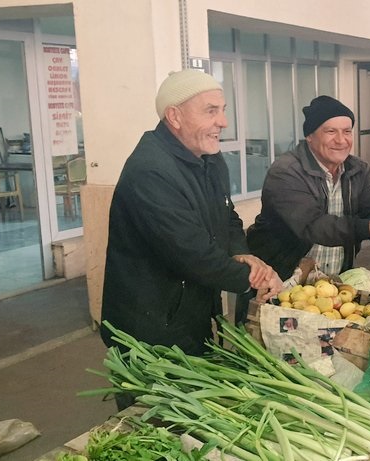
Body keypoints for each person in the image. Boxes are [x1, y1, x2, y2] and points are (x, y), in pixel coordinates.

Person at [101, 70, 282, 390]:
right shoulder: (150, 172)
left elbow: (227, 219)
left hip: (192, 315)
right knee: (154, 422)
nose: (223, 122)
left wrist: (243, 254)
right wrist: (258, 279)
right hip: (151, 330)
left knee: (195, 415)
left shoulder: (209, 158)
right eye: (211, 111)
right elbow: (192, 255)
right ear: (175, 116)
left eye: (223, 110)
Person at [246, 95, 370, 284]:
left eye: (347, 131)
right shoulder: (286, 171)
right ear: (310, 136)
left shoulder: (358, 169)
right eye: (330, 131)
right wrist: (369, 228)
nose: (341, 140)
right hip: (280, 276)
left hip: (333, 280)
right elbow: (313, 225)